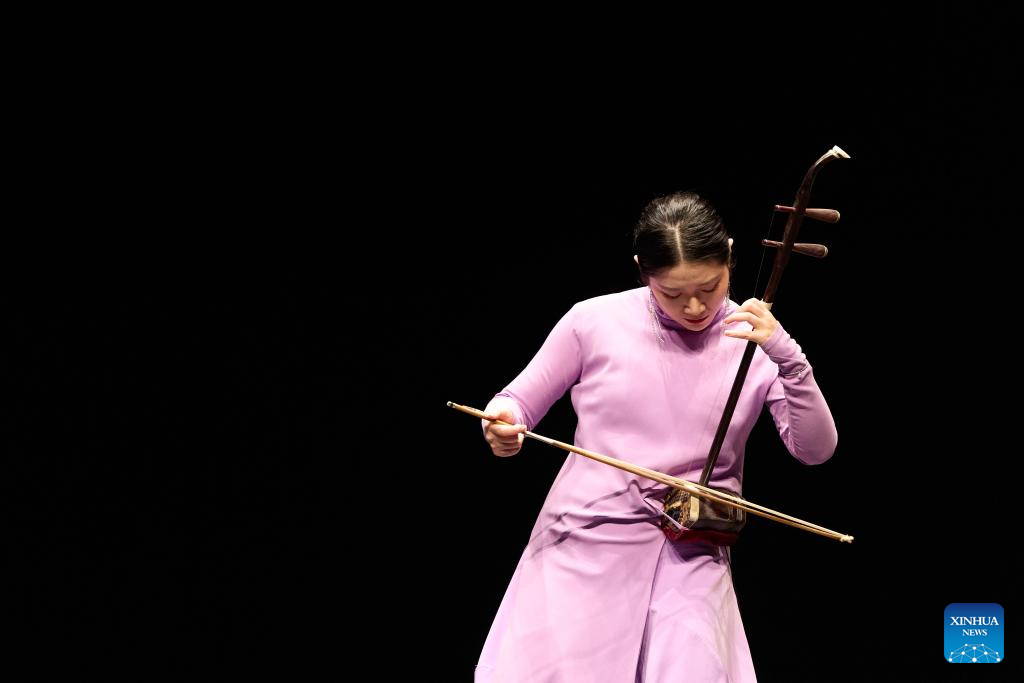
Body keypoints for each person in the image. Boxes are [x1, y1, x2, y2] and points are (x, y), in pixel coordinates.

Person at [474, 191, 838, 681]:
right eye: (672, 293)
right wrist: (501, 422)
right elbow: (516, 402)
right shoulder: (592, 320)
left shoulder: (757, 343)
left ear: (730, 257)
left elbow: (815, 450)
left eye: (709, 287)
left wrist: (789, 357)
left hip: (692, 547)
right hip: (584, 538)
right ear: (642, 272)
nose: (694, 306)